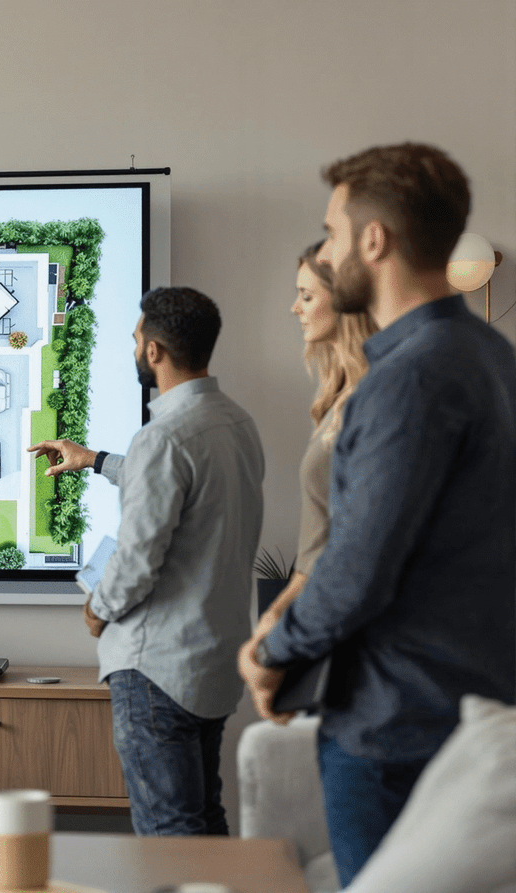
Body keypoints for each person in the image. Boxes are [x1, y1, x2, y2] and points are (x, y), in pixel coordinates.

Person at [240, 143, 516, 886]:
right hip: (469, 709)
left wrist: (270, 651)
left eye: (332, 233)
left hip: (397, 728)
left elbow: (357, 566)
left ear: (374, 239)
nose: (327, 255)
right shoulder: (492, 356)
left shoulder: (407, 380)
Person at [28, 286, 264, 836]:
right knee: (203, 820)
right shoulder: (235, 424)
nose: (134, 348)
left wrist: (98, 610)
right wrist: (95, 461)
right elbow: (184, 487)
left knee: (167, 834)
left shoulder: (163, 438)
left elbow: (137, 560)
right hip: (209, 665)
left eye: (136, 338)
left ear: (154, 349)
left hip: (155, 670)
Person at [244, 243, 376, 643]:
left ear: (345, 301)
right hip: (323, 612)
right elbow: (315, 551)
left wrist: (286, 634)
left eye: (306, 296)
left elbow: (353, 547)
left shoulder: (376, 397)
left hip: (350, 627)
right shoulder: (335, 396)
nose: (294, 308)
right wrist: (274, 619)